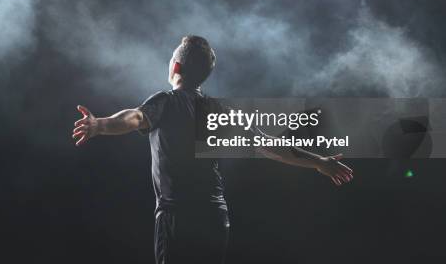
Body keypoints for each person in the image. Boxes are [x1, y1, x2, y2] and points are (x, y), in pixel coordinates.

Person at [72, 35, 353, 264]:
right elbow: (267, 144)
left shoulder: (166, 101)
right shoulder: (220, 110)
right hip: (215, 218)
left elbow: (134, 117)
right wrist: (319, 161)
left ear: (175, 68)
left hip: (177, 217)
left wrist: (99, 125)